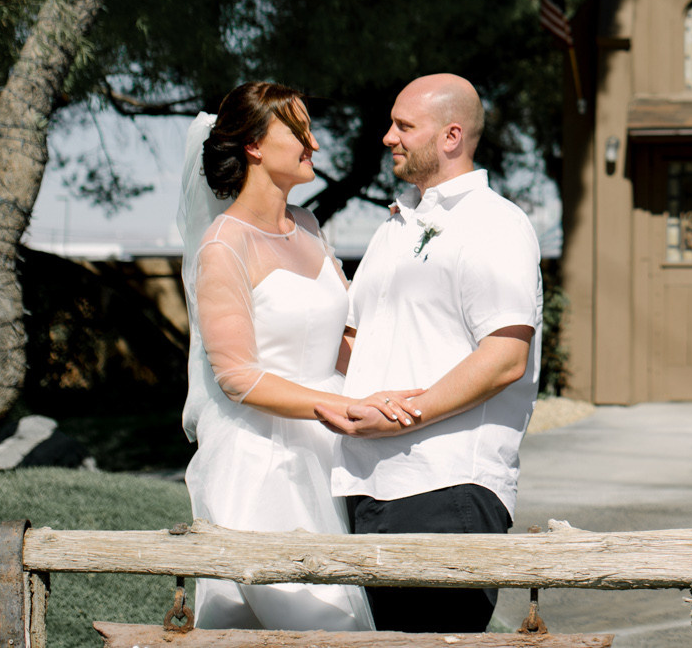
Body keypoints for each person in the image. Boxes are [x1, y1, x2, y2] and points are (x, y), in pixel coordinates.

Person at [316, 73, 542, 634]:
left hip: (446, 489)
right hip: (367, 490)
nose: (388, 137)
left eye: (403, 126)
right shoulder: (393, 229)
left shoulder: (495, 224)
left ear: (451, 136)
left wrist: (401, 417)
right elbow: (357, 344)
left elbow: (506, 355)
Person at [178, 83, 374, 631]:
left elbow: (342, 340)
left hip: (331, 449)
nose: (314, 142)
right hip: (264, 459)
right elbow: (237, 376)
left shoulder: (309, 226)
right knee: (319, 623)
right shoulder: (224, 246)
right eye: (299, 130)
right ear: (255, 146)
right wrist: (332, 407)